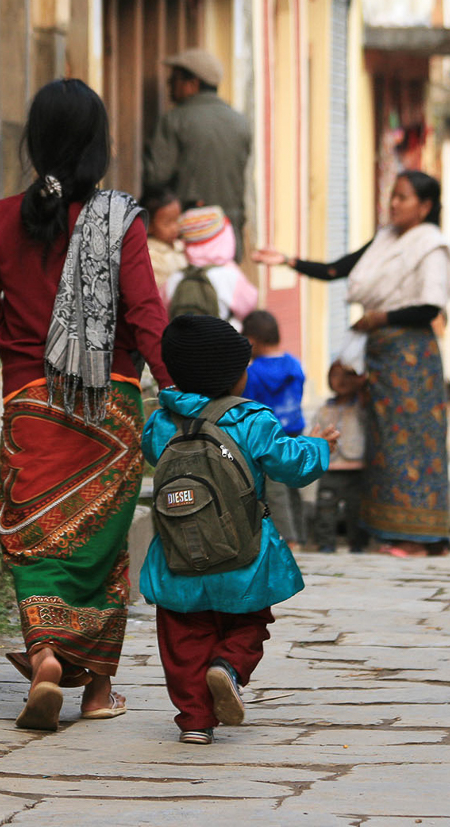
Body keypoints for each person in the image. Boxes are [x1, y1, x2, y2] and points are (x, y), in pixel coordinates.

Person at [0, 78, 173, 732]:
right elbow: (145, 317)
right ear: (97, 145)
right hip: (108, 412)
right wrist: (182, 389)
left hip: (30, 404)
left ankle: (47, 653)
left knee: (35, 543)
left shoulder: (2, 218)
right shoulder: (120, 222)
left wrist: (20, 335)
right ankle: (100, 689)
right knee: (100, 552)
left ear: (36, 141)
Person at [140, 315, 337, 745]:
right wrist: (321, 446)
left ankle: (194, 719)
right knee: (248, 622)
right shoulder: (251, 420)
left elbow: (156, 455)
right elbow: (293, 464)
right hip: (242, 553)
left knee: (182, 636)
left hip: (179, 554)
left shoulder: (160, 423)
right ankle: (227, 667)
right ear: (235, 376)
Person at [253, 170, 450, 557]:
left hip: (413, 359)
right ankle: (397, 533)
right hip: (382, 358)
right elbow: (339, 268)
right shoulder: (385, 239)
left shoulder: (431, 245)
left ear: (425, 206)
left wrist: (379, 319)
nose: (394, 203)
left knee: (414, 444)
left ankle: (421, 538)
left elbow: (430, 306)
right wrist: (288, 261)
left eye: (403, 197)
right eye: (393, 196)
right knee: (384, 441)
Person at [143, 48, 252, 262]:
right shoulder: (241, 122)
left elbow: (156, 178)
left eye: (173, 80)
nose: (168, 86)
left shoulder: (175, 120)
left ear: (192, 83)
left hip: (189, 237)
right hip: (228, 236)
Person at [240, 310, 307, 547]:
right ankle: (300, 535)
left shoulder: (252, 373)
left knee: (275, 491)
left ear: (251, 341)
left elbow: (247, 408)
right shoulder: (295, 366)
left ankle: (286, 540)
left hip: (268, 439)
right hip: (295, 436)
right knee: (294, 487)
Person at [311, 363, 371, 553]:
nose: (342, 380)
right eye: (336, 375)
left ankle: (357, 544)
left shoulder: (361, 406)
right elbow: (315, 431)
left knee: (356, 508)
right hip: (330, 466)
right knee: (326, 507)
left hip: (355, 466)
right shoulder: (324, 409)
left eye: (348, 375)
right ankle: (326, 543)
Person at [165, 206, 257, 325]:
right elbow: (249, 305)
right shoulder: (230, 275)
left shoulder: (175, 277)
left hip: (182, 342)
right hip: (223, 341)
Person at [140, 188, 186, 301]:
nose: (175, 228)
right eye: (167, 223)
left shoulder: (179, 246)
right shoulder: (150, 256)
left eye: (177, 220)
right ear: (149, 225)